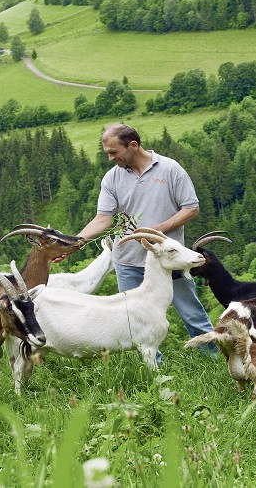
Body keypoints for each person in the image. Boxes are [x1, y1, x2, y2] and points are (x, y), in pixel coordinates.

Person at [76, 124, 216, 358]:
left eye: (114, 152)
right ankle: (153, 371)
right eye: (107, 153)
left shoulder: (170, 169)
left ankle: (215, 361)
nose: (110, 159)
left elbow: (191, 208)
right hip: (128, 263)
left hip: (167, 261)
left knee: (193, 316)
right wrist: (74, 243)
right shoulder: (112, 178)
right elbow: (103, 219)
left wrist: (157, 230)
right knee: (133, 323)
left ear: (133, 145)